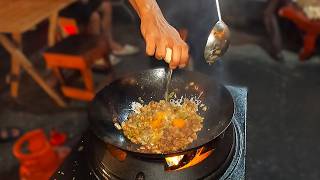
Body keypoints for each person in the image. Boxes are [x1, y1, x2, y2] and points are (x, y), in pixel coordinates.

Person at [128, 0, 217, 71]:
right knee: (162, 51)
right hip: (164, 6)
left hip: (204, 9)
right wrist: (150, 10)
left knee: (209, 54)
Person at [61, 0, 139, 56]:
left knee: (106, 5)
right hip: (66, 6)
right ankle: (99, 51)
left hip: (80, 3)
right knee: (95, 17)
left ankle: (109, 43)